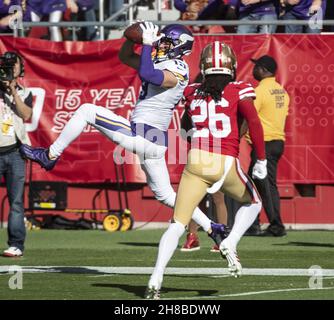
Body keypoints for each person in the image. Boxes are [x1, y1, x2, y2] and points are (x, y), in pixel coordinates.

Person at [19, 22, 228, 247]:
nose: (161, 44)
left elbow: (148, 74)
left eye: (167, 42)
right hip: (152, 141)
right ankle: (211, 227)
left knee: (87, 110)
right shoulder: (162, 60)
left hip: (145, 135)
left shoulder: (179, 68)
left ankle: (50, 155)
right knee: (166, 195)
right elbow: (125, 57)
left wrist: (147, 44)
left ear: (180, 47)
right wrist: (133, 39)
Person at [145, 41, 267, 299]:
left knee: (177, 224)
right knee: (254, 202)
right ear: (232, 64)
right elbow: (253, 122)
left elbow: (185, 129)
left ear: (203, 66)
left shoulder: (191, 92)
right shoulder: (239, 89)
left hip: (195, 160)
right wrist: (262, 159)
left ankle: (155, 278)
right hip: (223, 159)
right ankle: (230, 241)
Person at [245, 55, 289, 236]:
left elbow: (250, 116)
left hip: (265, 144)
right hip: (276, 141)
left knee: (265, 185)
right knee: (252, 183)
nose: (253, 70)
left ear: (263, 70)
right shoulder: (281, 91)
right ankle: (253, 224)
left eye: (256, 67)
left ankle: (276, 226)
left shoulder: (260, 91)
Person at [0, 52, 33, 257]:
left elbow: (26, 114)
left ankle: (16, 244)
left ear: (21, 69)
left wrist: (12, 89)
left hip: (14, 152)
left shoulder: (24, 91)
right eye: (7, 65)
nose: (11, 68)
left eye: (15, 65)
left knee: (16, 201)